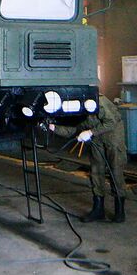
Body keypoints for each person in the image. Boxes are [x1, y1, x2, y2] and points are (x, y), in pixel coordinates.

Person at [51, 93, 128, 223]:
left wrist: (90, 132)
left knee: (115, 171)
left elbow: (111, 122)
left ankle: (120, 211)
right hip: (96, 137)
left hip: (112, 137)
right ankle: (98, 210)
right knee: (96, 171)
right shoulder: (76, 106)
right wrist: (54, 128)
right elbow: (73, 130)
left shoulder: (99, 100)